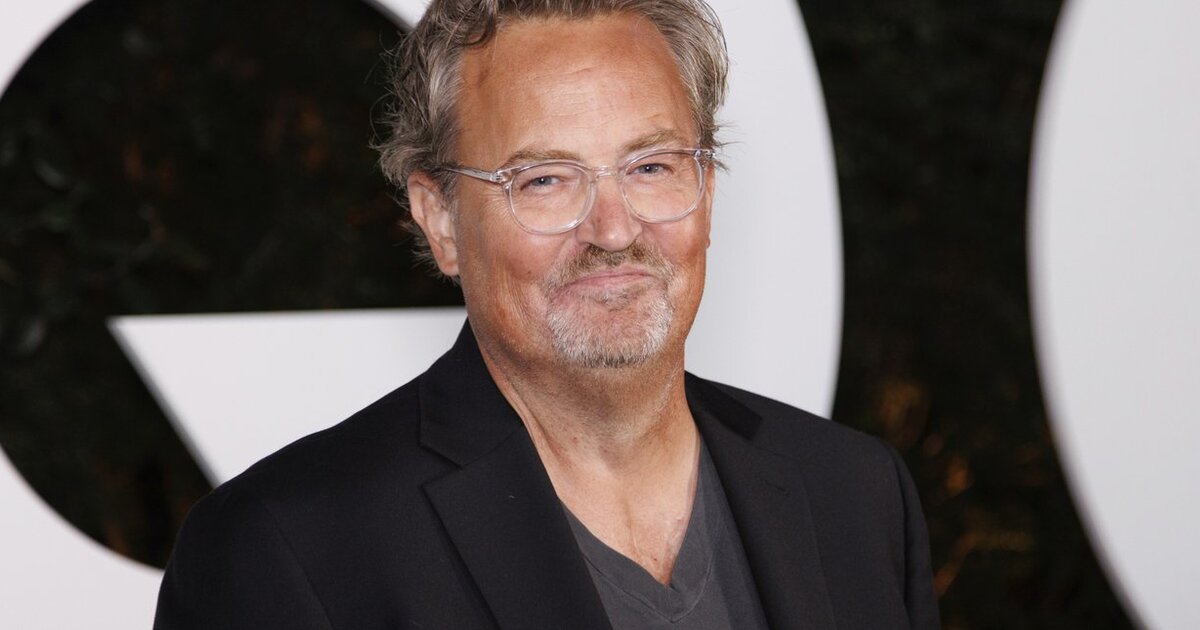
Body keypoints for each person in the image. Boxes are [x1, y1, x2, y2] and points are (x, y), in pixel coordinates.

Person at [153, 0, 940, 628]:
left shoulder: (854, 494)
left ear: (707, 187)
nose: (614, 230)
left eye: (652, 166)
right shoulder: (290, 549)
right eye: (544, 180)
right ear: (440, 220)